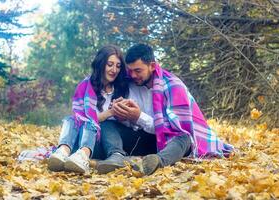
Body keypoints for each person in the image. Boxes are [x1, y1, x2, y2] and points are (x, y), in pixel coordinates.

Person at [97, 43, 234, 175]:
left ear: (152, 66)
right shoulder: (130, 83)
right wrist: (122, 114)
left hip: (169, 142)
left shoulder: (173, 86)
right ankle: (116, 156)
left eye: (138, 71)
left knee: (184, 138)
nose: (132, 75)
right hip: (142, 139)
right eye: (130, 70)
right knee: (108, 124)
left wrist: (138, 117)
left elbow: (176, 129)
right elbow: (127, 121)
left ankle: (157, 162)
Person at [48, 45, 129, 174]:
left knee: (90, 122)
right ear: (101, 64)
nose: (114, 70)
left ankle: (83, 156)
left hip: (105, 142)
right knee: (72, 120)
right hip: (83, 138)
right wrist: (109, 113)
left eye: (118, 66)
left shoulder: (121, 89)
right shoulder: (85, 86)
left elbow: (124, 124)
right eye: (110, 64)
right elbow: (80, 118)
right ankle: (62, 152)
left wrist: (114, 113)